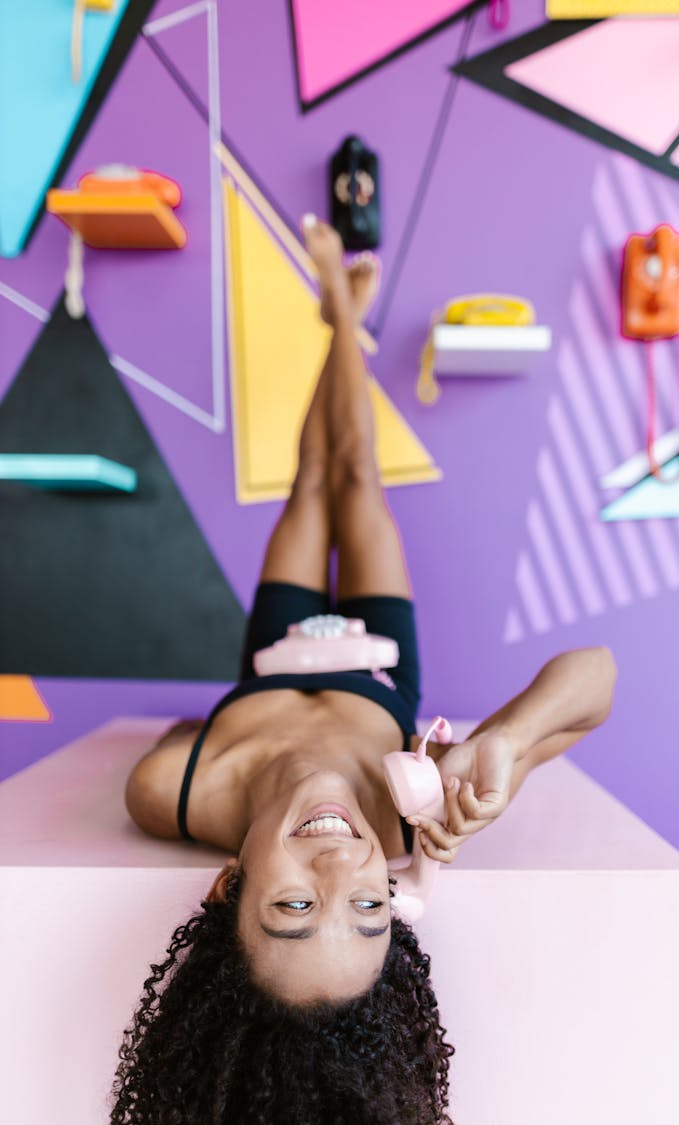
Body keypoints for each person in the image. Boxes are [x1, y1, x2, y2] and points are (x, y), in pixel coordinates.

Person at [112, 218, 617, 1124]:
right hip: (375, 659)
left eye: (297, 903)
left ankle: (339, 311)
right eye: (373, 907)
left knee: (312, 478)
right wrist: (502, 741)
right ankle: (342, 313)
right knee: (361, 480)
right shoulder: (405, 815)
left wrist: (226, 733)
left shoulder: (167, 791)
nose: (344, 862)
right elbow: (597, 678)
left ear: (228, 884)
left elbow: (182, 738)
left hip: (274, 652)